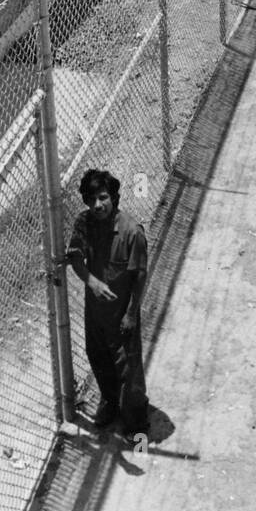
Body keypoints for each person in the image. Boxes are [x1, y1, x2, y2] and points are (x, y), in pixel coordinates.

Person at [67, 168, 149, 436]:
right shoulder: (85, 223)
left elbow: (139, 276)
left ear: (113, 197)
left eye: (103, 198)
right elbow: (76, 258)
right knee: (98, 358)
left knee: (129, 372)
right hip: (96, 314)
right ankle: (109, 404)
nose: (97, 205)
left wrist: (131, 315)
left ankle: (137, 428)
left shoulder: (131, 232)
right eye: (91, 200)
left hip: (122, 316)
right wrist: (92, 282)